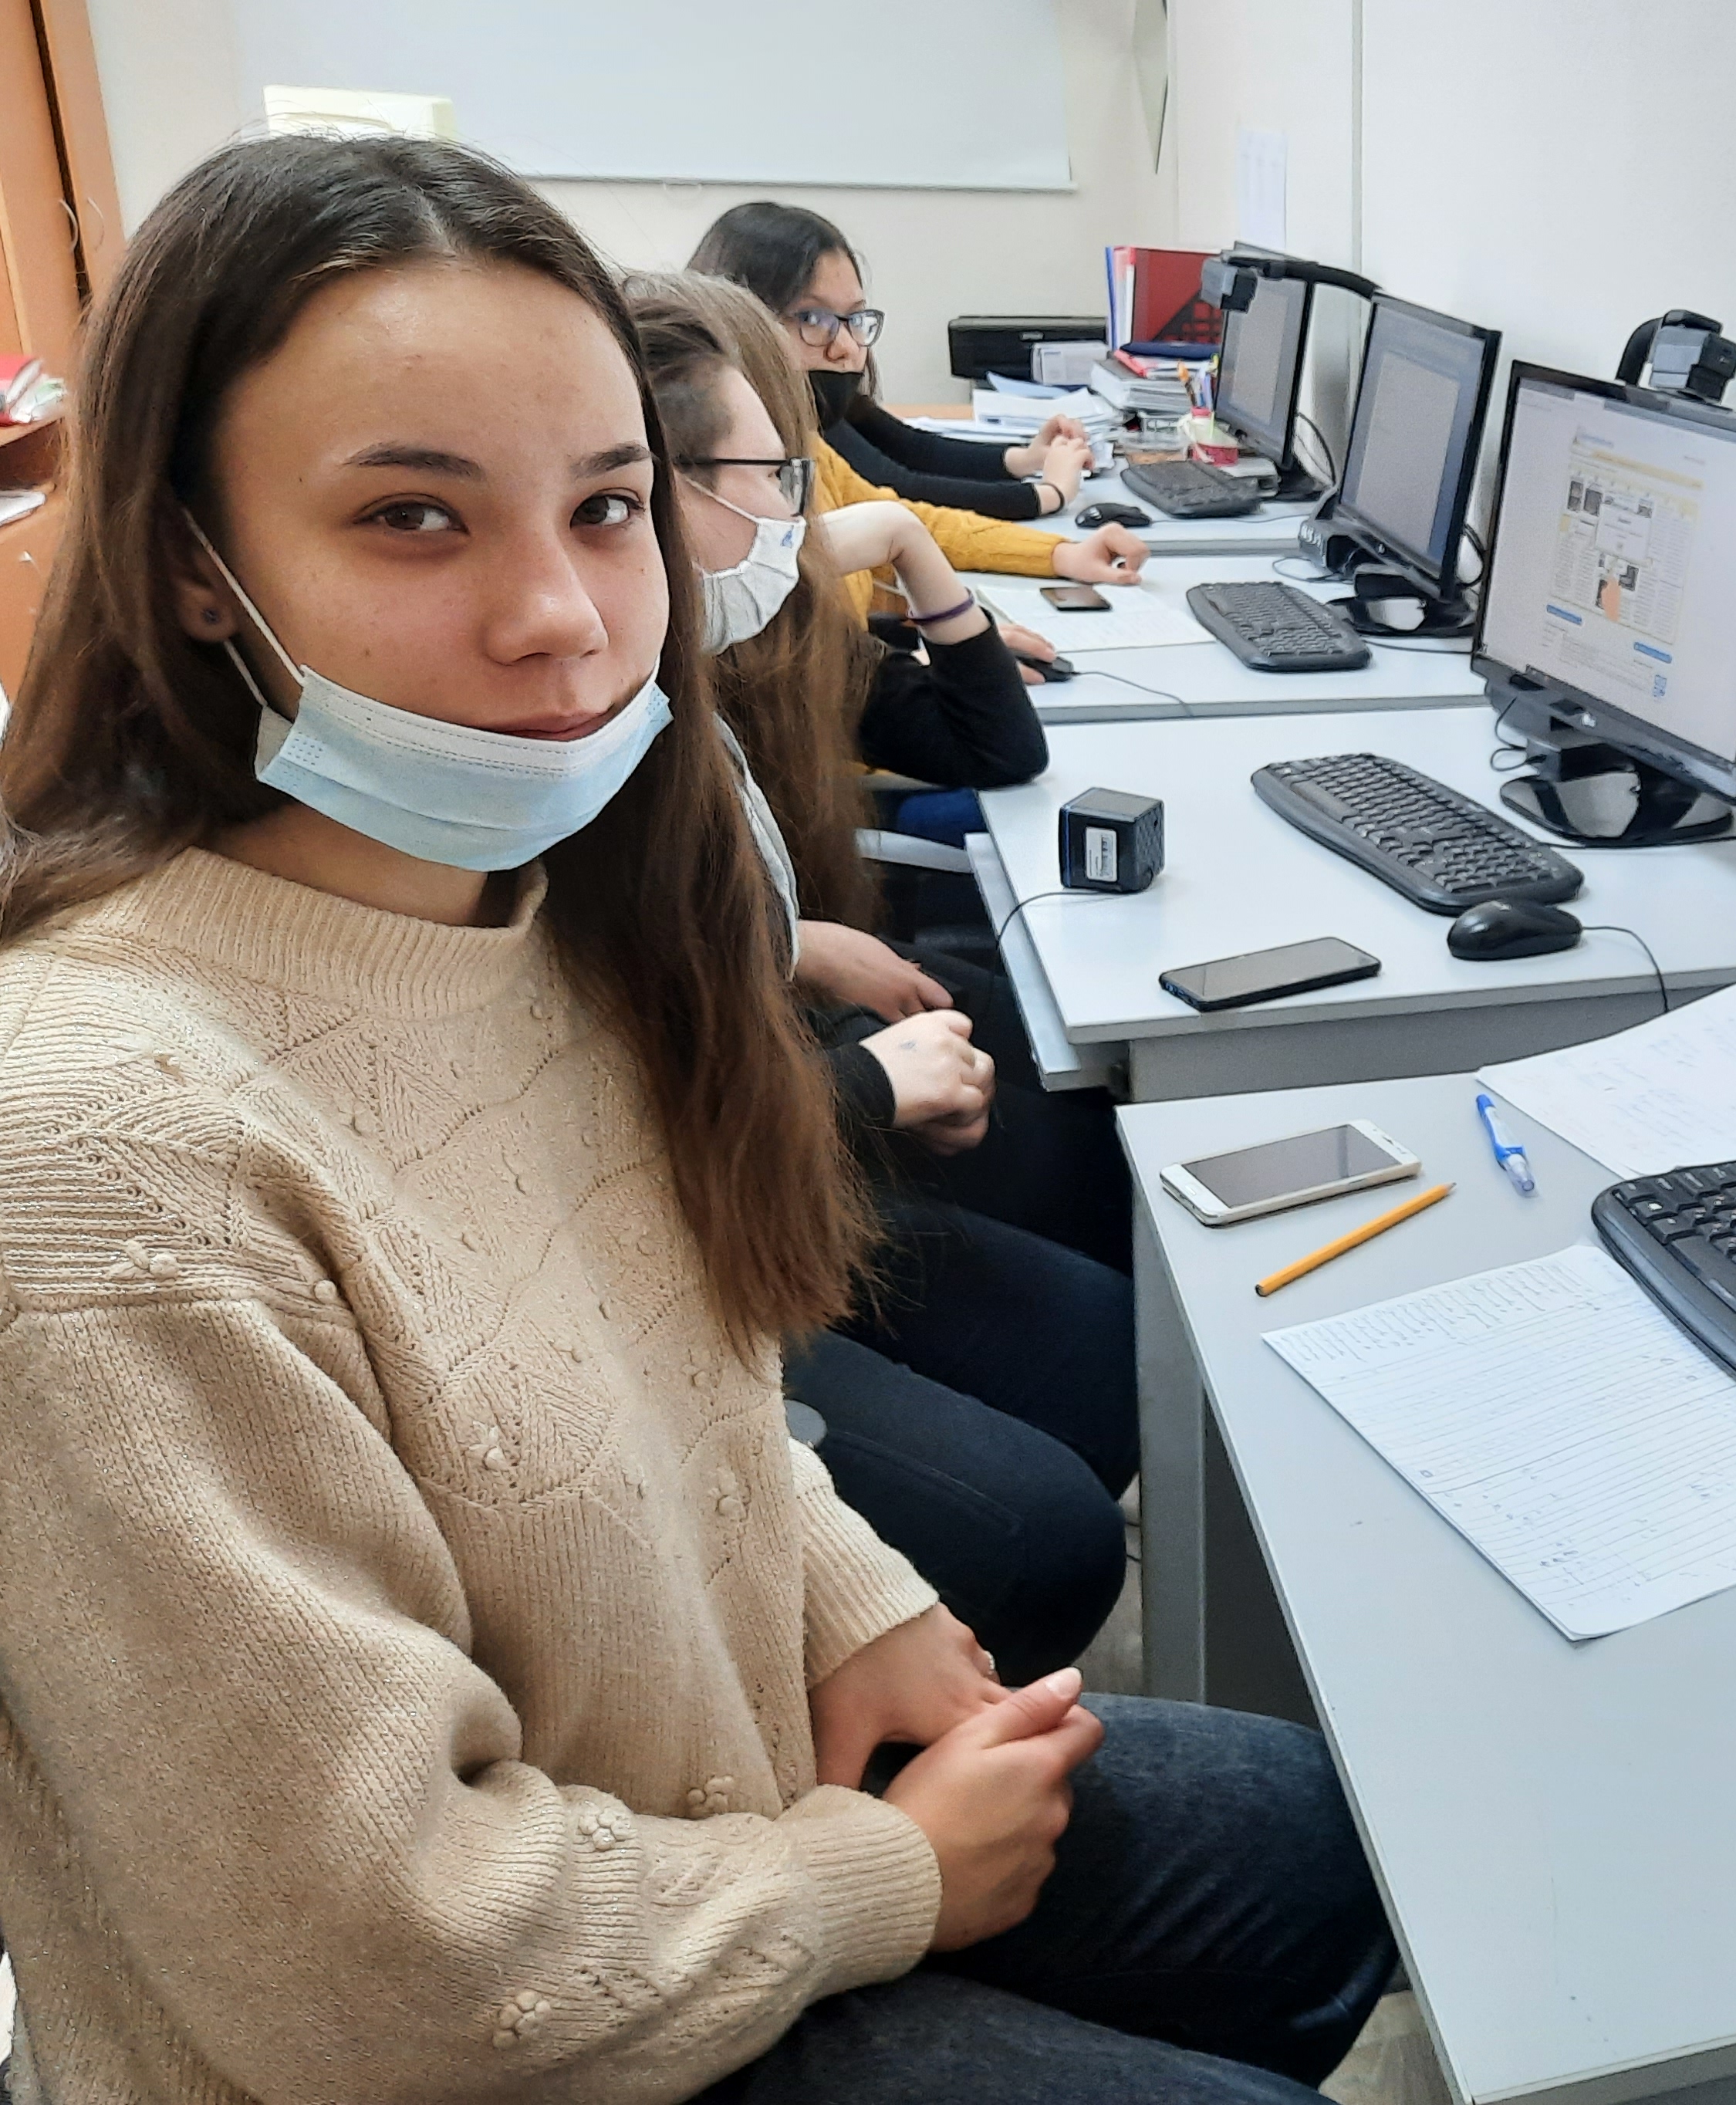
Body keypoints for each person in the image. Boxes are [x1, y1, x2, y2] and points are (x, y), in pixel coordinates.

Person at [0, 130, 1389, 2100]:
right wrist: (878, 1883)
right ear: (185, 567)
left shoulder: (542, 912)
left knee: (1320, 1845)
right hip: (458, 2032)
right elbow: (361, 1975)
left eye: (605, 507)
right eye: (413, 517)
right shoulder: (96, 1155)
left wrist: (847, 1594)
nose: (563, 617)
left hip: (707, 1787)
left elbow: (683, 1384)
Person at [628, 271, 1134, 1673]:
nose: (800, 509)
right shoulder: (584, 728)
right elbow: (613, 1112)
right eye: (776, 477)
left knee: (1082, 1219)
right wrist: (862, 1082)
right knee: (1057, 1490)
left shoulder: (745, 643)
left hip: (761, 1127)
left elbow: (1000, 750)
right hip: (705, 1214)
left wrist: (909, 546)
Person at [689, 201, 1147, 587]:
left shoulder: (809, 439)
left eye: (854, 319)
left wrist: (1057, 545)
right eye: (812, 318)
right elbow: (897, 493)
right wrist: (1047, 495)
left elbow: (901, 505)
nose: (847, 347)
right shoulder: (727, 481)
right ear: (738, 319)